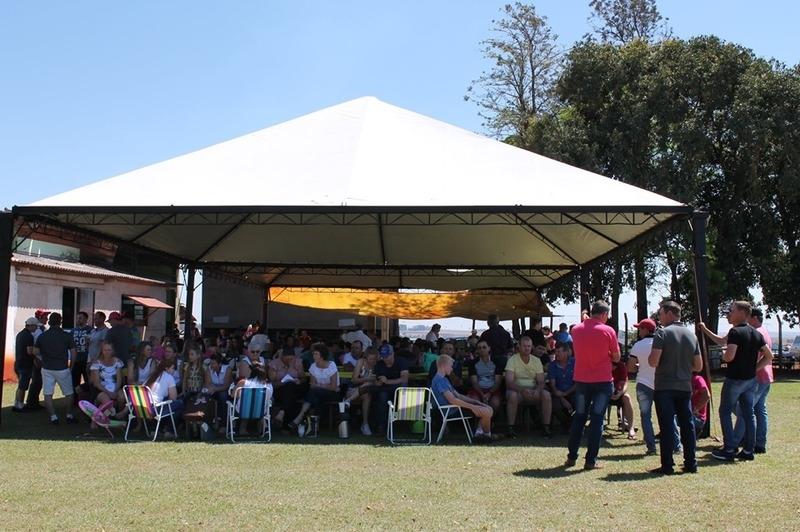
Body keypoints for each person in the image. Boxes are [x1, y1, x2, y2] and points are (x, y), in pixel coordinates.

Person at [700, 301, 772, 462]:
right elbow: (769, 356)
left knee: (725, 412)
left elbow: (729, 356)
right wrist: (754, 369)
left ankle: (729, 448)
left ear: (742, 312)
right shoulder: (755, 333)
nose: (728, 314)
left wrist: (723, 356)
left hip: (734, 379)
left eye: (731, 311)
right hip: (750, 381)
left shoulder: (735, 332)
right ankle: (748, 450)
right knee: (748, 414)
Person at [648, 300, 702, 474]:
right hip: (684, 387)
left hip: (664, 386)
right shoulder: (691, 335)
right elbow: (698, 365)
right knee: (687, 425)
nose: (659, 317)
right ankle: (691, 463)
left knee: (666, 426)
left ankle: (667, 465)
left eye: (661, 313)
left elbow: (653, 361)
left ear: (670, 313)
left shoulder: (662, 333)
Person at [565, 301, 620, 470]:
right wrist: (608, 354)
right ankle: (591, 460)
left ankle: (571, 457)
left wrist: (585, 318)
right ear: (604, 314)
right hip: (602, 381)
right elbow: (617, 357)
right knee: (597, 420)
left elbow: (585, 325)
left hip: (582, 381)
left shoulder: (576, 330)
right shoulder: (608, 331)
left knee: (579, 417)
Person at [626, 318, 671, 456]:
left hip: (643, 383)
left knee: (646, 416)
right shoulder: (663, 343)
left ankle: (651, 447)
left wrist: (640, 366)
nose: (639, 331)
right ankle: (675, 445)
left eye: (640, 328)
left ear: (646, 329)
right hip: (662, 383)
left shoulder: (638, 345)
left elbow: (631, 368)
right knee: (668, 416)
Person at [432, 355, 495, 442]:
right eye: (451, 366)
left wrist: (475, 402)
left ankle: (481, 435)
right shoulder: (439, 381)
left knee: (488, 409)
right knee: (487, 411)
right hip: (451, 410)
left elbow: (458, 396)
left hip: (456, 407)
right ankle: (485, 436)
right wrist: (472, 407)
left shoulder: (444, 379)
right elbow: (452, 400)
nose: (452, 369)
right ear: (444, 365)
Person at [34, 312, 79, 424]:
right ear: (60, 322)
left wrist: (42, 360)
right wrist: (71, 366)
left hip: (47, 368)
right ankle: (69, 415)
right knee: (69, 393)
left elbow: (35, 351)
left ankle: (53, 417)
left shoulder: (42, 336)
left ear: (49, 322)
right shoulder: (66, 335)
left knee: (48, 393)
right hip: (62, 368)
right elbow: (74, 353)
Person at [504, 336, 552, 438]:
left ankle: (546, 428)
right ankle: (510, 428)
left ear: (532, 347)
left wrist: (537, 390)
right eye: (524, 346)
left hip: (533, 391)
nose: (527, 348)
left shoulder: (536, 361)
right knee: (512, 396)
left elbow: (541, 381)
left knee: (546, 395)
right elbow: (509, 382)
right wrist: (522, 390)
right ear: (519, 346)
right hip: (517, 391)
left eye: (529, 346)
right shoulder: (512, 360)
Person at [289, 347, 340, 436]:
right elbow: (312, 385)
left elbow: (333, 387)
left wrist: (319, 385)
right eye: (313, 354)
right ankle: (313, 427)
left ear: (322, 356)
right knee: (315, 397)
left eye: (316, 354)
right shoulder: (313, 366)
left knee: (314, 393)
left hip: (332, 394)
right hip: (317, 393)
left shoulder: (331, 365)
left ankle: (301, 417)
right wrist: (323, 386)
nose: (313, 355)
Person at [372, 344, 409, 434]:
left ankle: (402, 424)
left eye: (387, 356)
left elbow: (404, 379)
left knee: (401, 391)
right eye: (383, 356)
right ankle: (381, 426)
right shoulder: (379, 364)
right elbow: (375, 380)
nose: (385, 359)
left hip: (399, 390)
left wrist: (387, 381)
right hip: (384, 390)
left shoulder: (401, 361)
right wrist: (378, 382)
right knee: (382, 396)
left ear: (393, 354)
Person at [268, 344, 307, 429]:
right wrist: (284, 383)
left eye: (291, 359)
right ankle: (288, 426)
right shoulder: (274, 364)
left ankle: (281, 413)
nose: (289, 361)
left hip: (296, 388)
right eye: (287, 359)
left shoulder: (297, 362)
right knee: (289, 393)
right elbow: (271, 382)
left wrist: (299, 381)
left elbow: (304, 379)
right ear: (282, 357)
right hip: (279, 389)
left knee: (290, 389)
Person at [345, 347, 380, 435]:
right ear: (366, 357)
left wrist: (372, 381)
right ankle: (365, 424)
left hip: (368, 391)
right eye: (370, 359)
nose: (372, 361)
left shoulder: (378, 364)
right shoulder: (361, 362)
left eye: (374, 359)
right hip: (353, 389)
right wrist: (367, 378)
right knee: (367, 391)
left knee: (367, 394)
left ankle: (365, 423)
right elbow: (354, 380)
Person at [231, 362, 272, 436]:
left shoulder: (243, 383)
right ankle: (263, 429)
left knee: (235, 404)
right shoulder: (268, 385)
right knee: (261, 405)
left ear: (251, 373)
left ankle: (233, 429)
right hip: (260, 412)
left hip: (242, 412)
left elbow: (233, 395)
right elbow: (268, 398)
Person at [144, 359, 183, 436]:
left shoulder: (151, 376)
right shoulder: (169, 377)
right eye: (172, 368)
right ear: (166, 368)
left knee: (168, 406)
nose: (174, 371)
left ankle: (156, 429)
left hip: (142, 408)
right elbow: (173, 398)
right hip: (154, 410)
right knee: (179, 404)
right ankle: (169, 431)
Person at [466, 340, 503, 414]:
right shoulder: (473, 363)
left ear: (489, 348)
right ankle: (481, 420)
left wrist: (489, 393)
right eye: (479, 348)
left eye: (484, 347)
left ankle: (491, 419)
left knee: (495, 403)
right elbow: (474, 382)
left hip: (493, 389)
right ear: (477, 350)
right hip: (477, 390)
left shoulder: (497, 361)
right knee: (475, 402)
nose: (482, 349)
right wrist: (482, 394)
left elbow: (498, 382)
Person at [12, 317, 40, 412]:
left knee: (20, 386)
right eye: (35, 326)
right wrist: (37, 354)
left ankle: (16, 404)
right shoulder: (29, 336)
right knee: (23, 386)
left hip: (18, 363)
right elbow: (29, 351)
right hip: (25, 364)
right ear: (31, 326)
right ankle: (20, 405)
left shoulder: (20, 334)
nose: (36, 328)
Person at [547, 342, 576, 430]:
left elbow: (578, 383)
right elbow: (553, 386)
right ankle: (567, 424)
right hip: (558, 394)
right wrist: (562, 398)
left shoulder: (575, 362)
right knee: (555, 405)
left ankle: (573, 424)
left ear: (566, 352)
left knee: (582, 402)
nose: (556, 354)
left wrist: (566, 393)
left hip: (573, 392)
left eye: (559, 352)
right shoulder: (552, 365)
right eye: (556, 351)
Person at [89, 341, 125, 410]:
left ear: (113, 351)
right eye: (105, 350)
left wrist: (115, 391)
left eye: (109, 350)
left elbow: (119, 380)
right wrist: (109, 393)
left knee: (122, 397)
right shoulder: (96, 364)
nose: (107, 352)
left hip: (115, 387)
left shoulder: (118, 362)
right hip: (101, 388)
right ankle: (107, 414)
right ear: (102, 351)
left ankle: (119, 413)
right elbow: (96, 383)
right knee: (107, 402)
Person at [610, 359, 636, 440]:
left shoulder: (621, 366)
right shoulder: (602, 364)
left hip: (617, 393)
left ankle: (631, 428)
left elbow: (625, 384)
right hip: (604, 393)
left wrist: (620, 393)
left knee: (627, 397)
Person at [205, 354, 233, 429]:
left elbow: (226, 385)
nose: (211, 365)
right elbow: (208, 384)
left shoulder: (227, 369)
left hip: (226, 390)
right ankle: (208, 423)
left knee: (223, 397)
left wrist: (214, 389)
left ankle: (223, 424)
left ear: (220, 364)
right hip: (214, 390)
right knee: (206, 396)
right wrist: (212, 389)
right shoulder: (208, 369)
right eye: (211, 363)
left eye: (213, 363)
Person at [69, 311, 93, 389]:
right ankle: (75, 397)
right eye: (77, 318)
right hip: (76, 360)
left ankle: (88, 396)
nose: (78, 320)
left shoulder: (91, 330)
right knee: (74, 383)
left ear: (86, 319)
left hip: (87, 360)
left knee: (88, 382)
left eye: (80, 318)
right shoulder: (73, 331)